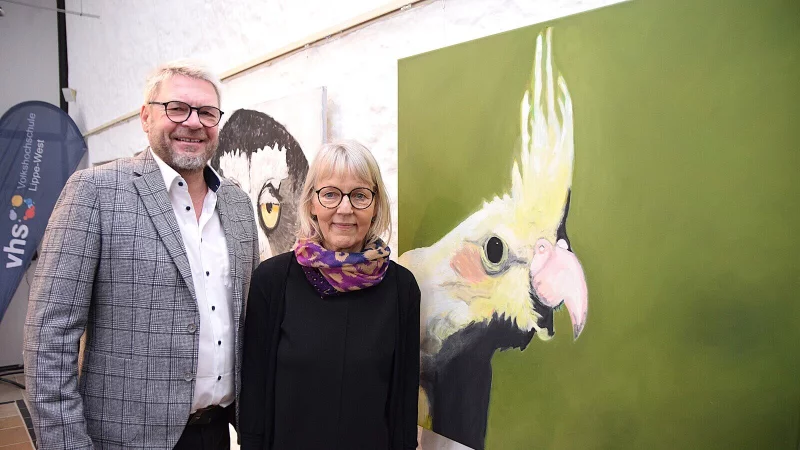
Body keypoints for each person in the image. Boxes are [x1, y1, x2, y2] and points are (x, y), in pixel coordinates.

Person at [24, 60, 261, 450]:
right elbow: (49, 341)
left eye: (206, 112)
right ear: (145, 117)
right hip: (122, 439)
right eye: (177, 108)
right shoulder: (94, 192)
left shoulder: (236, 203)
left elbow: (245, 320)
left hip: (218, 433)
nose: (194, 122)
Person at [239, 140, 421, 450]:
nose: (345, 208)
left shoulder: (401, 288)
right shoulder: (272, 281)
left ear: (376, 205)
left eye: (360, 195)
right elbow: (254, 397)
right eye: (331, 194)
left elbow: (403, 404)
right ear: (311, 202)